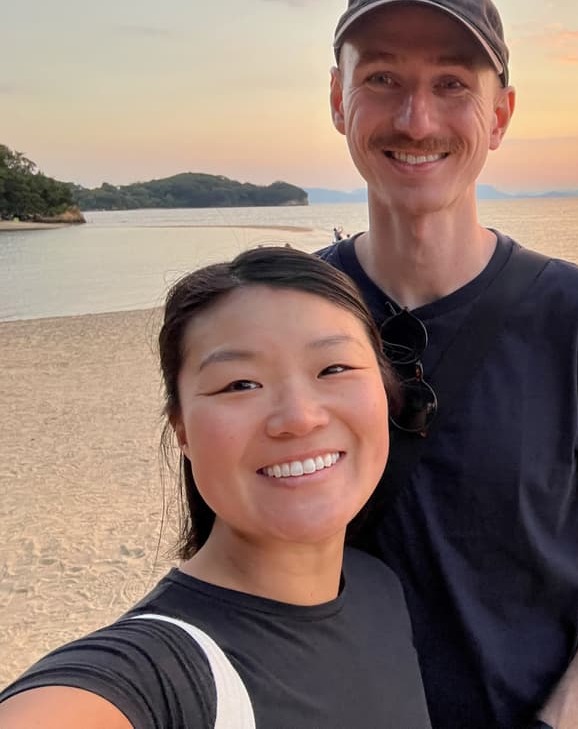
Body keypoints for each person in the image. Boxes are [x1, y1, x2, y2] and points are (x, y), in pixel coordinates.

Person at [319, 0, 578, 728]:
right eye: (383, 79)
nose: (417, 120)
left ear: (500, 114)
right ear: (338, 101)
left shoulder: (575, 314)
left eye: (454, 84)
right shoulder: (293, 314)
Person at [0, 247, 431, 728]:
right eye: (240, 384)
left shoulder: (379, 590)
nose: (299, 418)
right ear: (182, 430)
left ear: (385, 391)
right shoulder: (161, 675)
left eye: (333, 369)